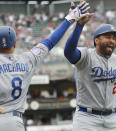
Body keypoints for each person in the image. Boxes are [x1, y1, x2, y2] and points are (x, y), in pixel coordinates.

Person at [0, 1, 90, 131]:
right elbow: (50, 41)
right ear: (14, 44)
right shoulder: (28, 59)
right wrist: (70, 18)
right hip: (14, 121)